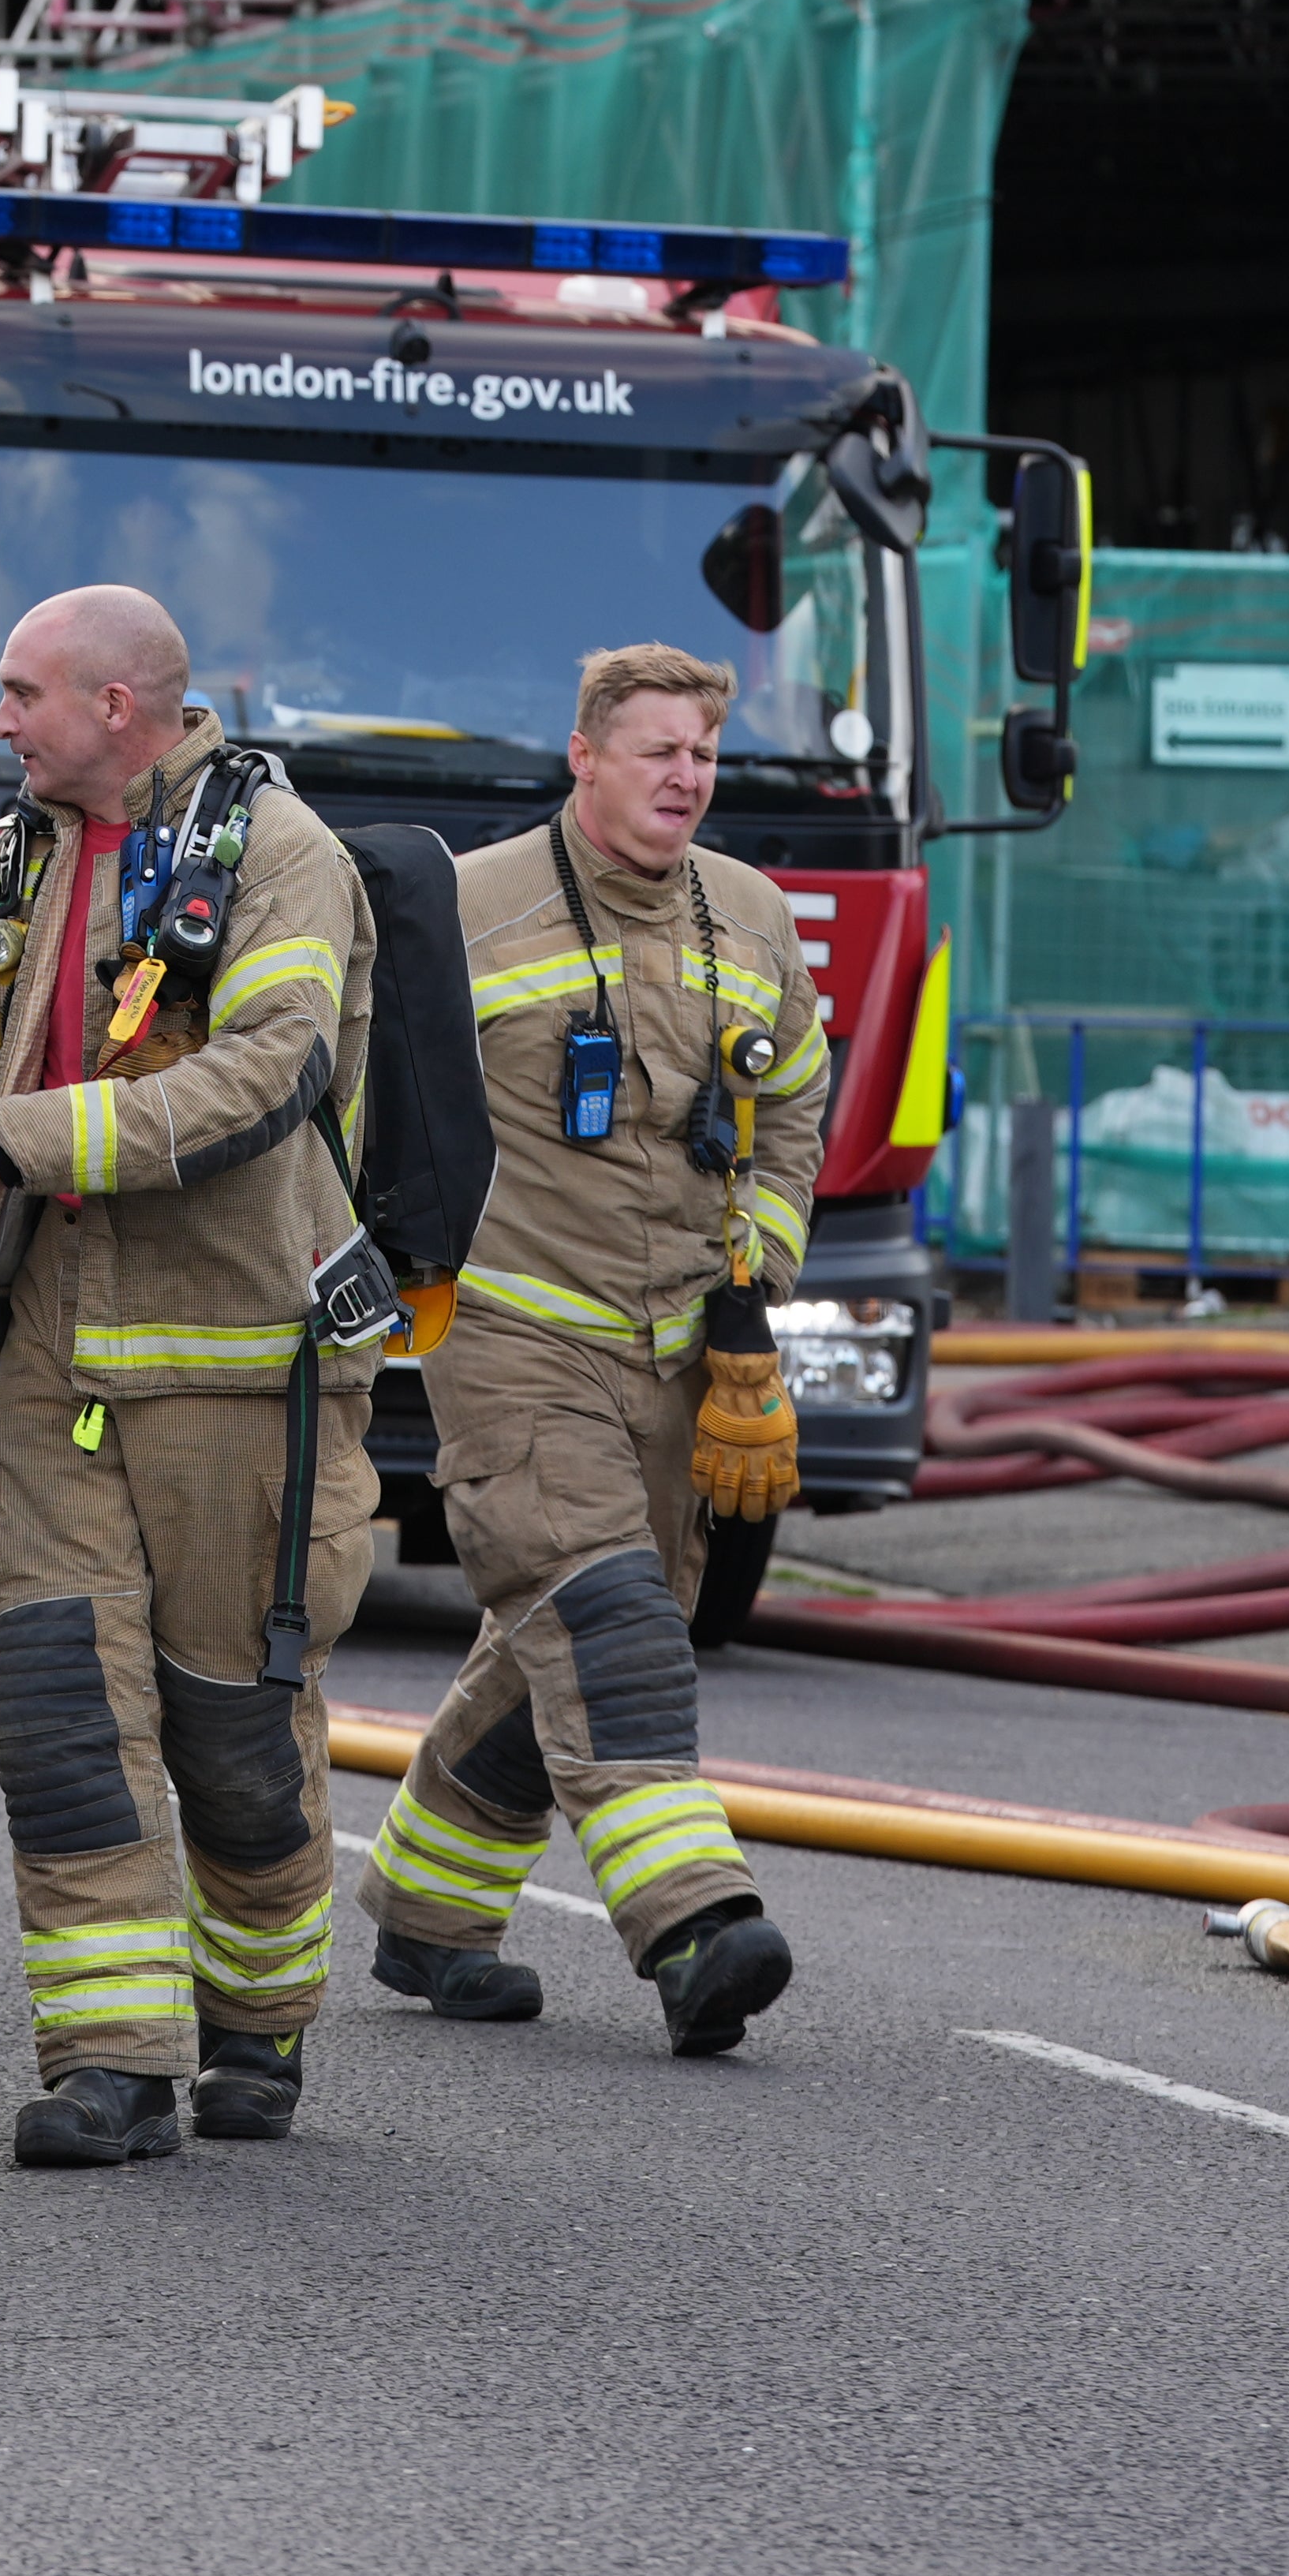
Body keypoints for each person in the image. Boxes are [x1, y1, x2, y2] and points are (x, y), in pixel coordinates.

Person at [0, 585, 379, 2170]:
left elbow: (264, 1076)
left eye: (22, 693)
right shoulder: (20, 856)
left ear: (118, 708)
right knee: (66, 1717)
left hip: (241, 1381)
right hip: (55, 1376)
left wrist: (24, 1138)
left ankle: (261, 2015)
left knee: (234, 1733)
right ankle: (113, 2061)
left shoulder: (285, 860)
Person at [353, 641, 825, 2056]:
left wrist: (761, 1278)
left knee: (557, 1643)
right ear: (585, 757)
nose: (686, 777)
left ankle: (427, 1919)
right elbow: (372, 1106)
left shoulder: (746, 915)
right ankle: (695, 1928)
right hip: (512, 1338)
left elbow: (794, 1106)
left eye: (703, 755)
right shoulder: (470, 908)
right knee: (609, 1623)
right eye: (659, 750)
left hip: (686, 1356)